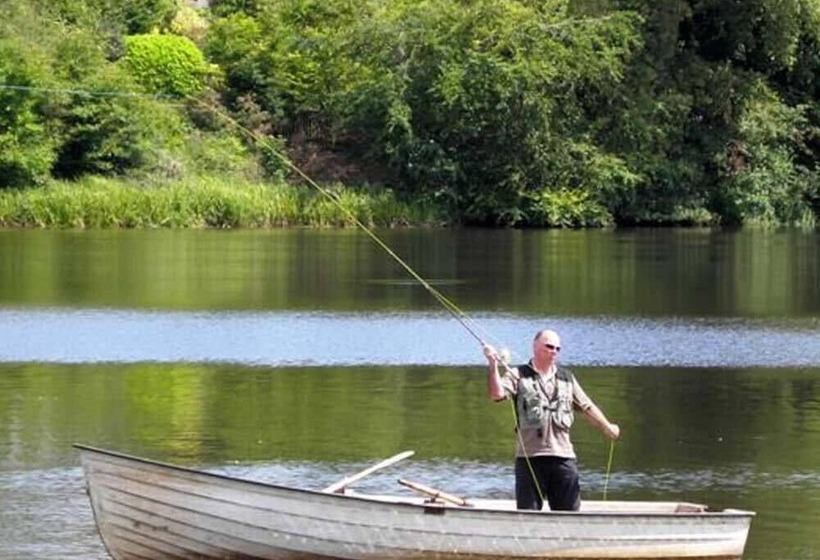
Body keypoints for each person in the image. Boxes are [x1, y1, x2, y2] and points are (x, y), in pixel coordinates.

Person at [483, 329, 620, 511]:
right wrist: (492, 365)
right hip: (530, 458)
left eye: (557, 348)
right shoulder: (518, 374)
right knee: (528, 516)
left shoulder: (567, 378)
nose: (554, 351)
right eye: (549, 347)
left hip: (563, 458)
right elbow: (496, 394)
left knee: (569, 515)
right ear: (535, 347)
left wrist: (606, 426)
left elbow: (587, 407)